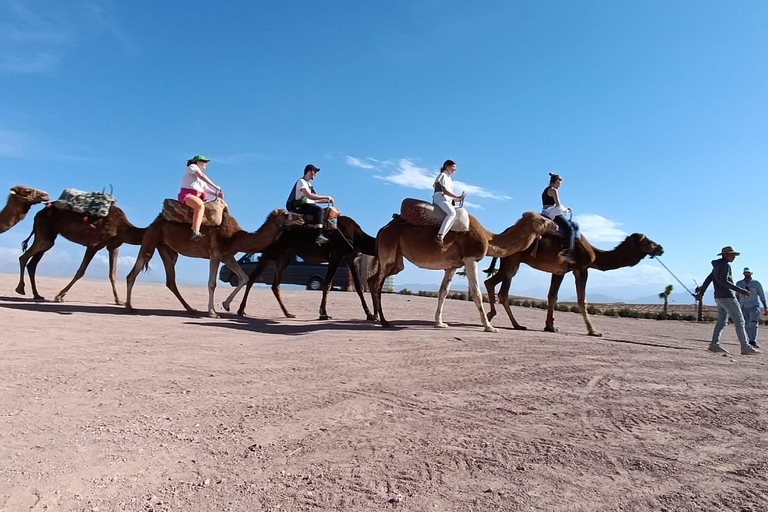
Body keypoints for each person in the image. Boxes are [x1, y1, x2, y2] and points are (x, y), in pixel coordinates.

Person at [696, 246, 760, 355]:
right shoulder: (725, 266)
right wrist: (740, 290)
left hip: (718, 297)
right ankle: (745, 347)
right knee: (740, 321)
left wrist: (701, 292)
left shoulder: (717, 266)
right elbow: (724, 281)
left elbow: (708, 279)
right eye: (731, 255)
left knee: (721, 321)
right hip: (728, 297)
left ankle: (714, 344)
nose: (733, 257)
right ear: (725, 255)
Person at [178, 154, 223, 240]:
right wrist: (215, 186)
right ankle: (195, 231)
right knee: (199, 206)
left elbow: (206, 189)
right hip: (188, 195)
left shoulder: (200, 179)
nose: (206, 164)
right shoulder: (192, 167)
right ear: (198, 162)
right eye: (204, 162)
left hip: (198, 196)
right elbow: (202, 176)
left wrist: (217, 194)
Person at [288, 164, 334, 244]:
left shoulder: (309, 185)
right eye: (315, 172)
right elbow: (310, 196)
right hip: (300, 207)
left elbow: (313, 200)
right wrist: (326, 197)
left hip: (309, 205)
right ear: (309, 172)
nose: (316, 174)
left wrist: (326, 201)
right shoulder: (301, 182)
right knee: (318, 210)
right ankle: (319, 235)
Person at [541, 172, 576, 264]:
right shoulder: (554, 190)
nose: (560, 185)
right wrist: (567, 210)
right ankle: (567, 252)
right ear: (556, 181)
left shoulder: (546, 190)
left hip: (545, 212)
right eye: (560, 183)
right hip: (553, 214)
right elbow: (558, 206)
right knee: (570, 229)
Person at [432, 159, 466, 245]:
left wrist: (459, 199)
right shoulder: (443, 175)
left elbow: (448, 196)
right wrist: (456, 196)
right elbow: (445, 191)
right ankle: (440, 235)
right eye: (453, 167)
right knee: (452, 213)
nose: (455, 169)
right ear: (447, 166)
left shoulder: (448, 178)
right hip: (440, 198)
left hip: (445, 199)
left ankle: (443, 235)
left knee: (454, 215)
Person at [735, 267, 767, 350]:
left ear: (751, 273)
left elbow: (761, 295)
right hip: (743, 306)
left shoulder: (756, 284)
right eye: (745, 273)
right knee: (745, 324)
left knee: (753, 323)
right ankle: (748, 340)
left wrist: (765, 307)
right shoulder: (739, 283)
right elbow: (736, 296)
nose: (747, 274)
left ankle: (753, 340)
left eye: (748, 273)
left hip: (753, 305)